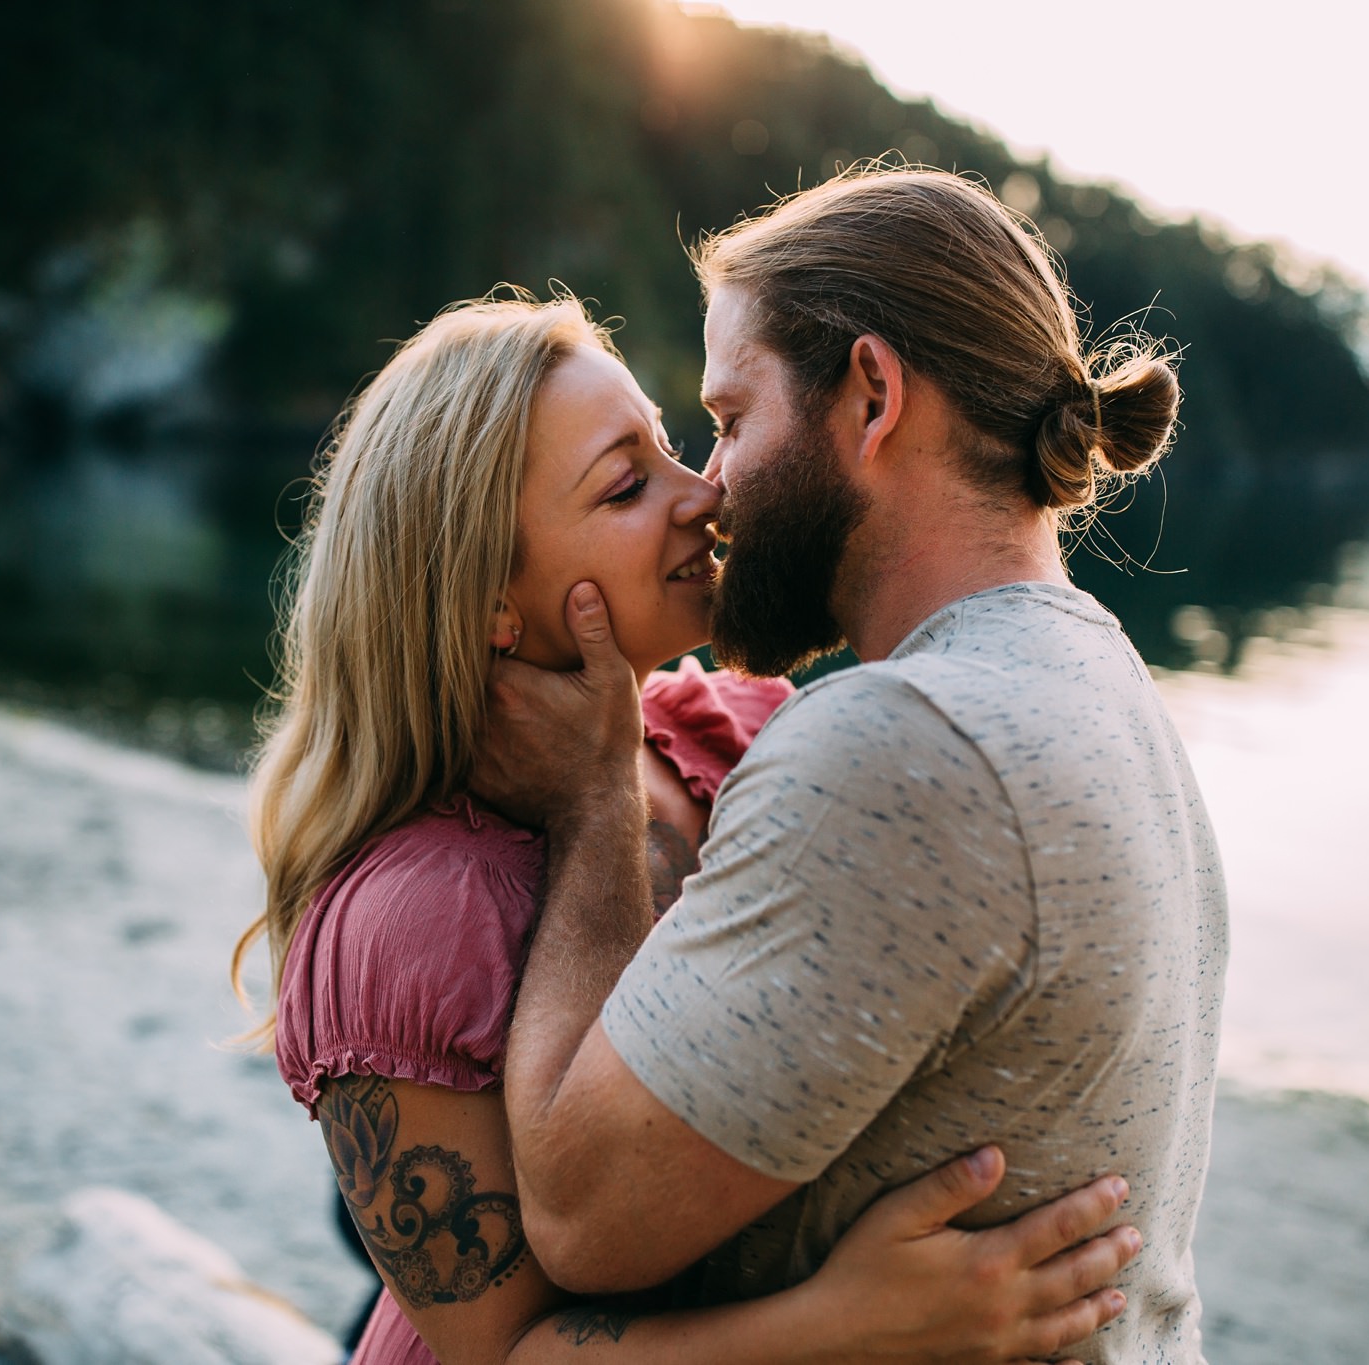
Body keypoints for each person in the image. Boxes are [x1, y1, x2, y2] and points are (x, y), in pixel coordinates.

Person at [233, 292, 1144, 1364]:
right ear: (489, 597)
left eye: (673, 446)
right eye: (626, 485)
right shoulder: (406, 920)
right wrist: (856, 1324)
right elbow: (499, 1352)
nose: (703, 492)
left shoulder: (735, 735)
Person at [474, 169, 1228, 1364]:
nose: (710, 491)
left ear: (870, 394)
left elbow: (575, 1215)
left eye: (731, 420)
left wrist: (588, 799)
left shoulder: (901, 743)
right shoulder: (1103, 682)